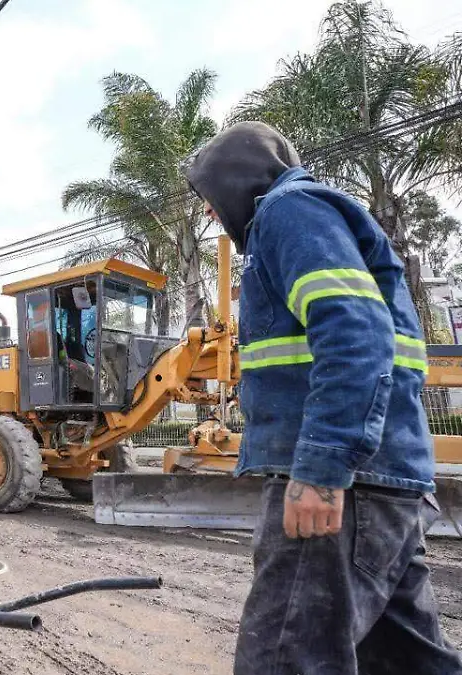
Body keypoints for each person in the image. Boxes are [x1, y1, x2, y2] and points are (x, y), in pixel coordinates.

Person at [184, 121, 461, 674]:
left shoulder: (288, 213)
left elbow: (356, 335)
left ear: (238, 184)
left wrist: (321, 470)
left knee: (284, 658)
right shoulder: (308, 216)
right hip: (384, 480)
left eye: (212, 200)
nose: (213, 215)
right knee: (408, 661)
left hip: (346, 485)